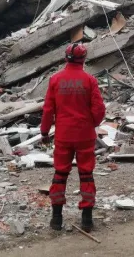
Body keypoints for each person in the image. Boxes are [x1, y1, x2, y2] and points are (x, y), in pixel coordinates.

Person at [41, 43, 106, 233]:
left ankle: (56, 219)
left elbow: (47, 110)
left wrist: (44, 132)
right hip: (85, 134)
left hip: (63, 134)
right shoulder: (89, 80)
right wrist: (91, 123)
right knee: (86, 174)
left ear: (65, 57)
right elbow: (99, 109)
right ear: (84, 59)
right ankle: (87, 220)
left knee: (60, 174)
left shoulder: (55, 80)